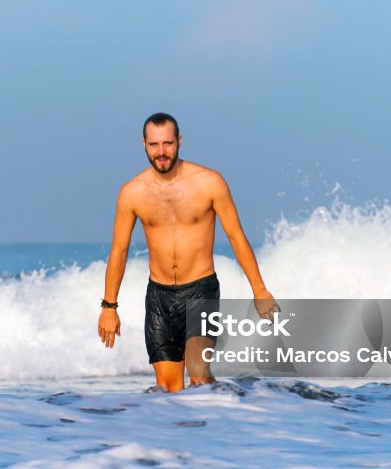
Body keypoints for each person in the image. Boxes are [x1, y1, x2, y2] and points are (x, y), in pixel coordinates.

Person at [97, 112, 279, 392]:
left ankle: (227, 415)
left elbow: (236, 236)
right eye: (154, 145)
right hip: (159, 297)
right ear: (143, 145)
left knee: (198, 375)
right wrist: (109, 307)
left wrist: (260, 290)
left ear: (179, 142)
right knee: (168, 389)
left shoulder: (209, 182)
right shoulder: (132, 193)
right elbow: (119, 251)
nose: (161, 152)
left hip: (200, 290)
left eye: (167, 144)